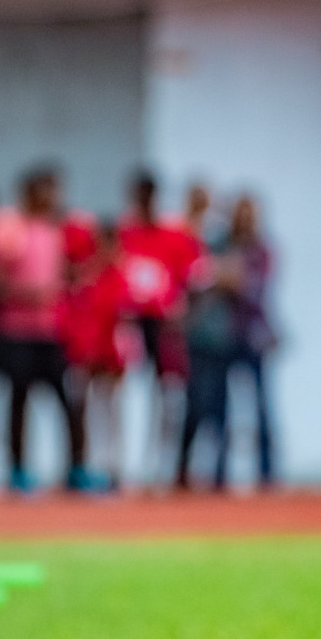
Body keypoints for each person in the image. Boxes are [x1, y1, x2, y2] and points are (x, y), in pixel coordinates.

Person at [0, 167, 92, 491]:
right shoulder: (8, 228)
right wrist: (26, 294)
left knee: (69, 399)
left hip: (50, 331)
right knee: (19, 401)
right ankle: (17, 469)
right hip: (15, 332)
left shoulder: (56, 231)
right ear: (29, 192)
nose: (54, 197)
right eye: (47, 190)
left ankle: (78, 468)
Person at [178, 194, 277, 490]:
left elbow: (246, 286)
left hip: (252, 337)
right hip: (223, 339)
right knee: (218, 409)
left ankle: (266, 474)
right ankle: (219, 474)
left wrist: (226, 276)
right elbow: (205, 276)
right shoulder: (220, 244)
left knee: (260, 408)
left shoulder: (261, 250)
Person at [120, 171, 199, 481]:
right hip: (130, 323)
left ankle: (160, 465)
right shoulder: (125, 234)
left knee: (168, 395)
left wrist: (182, 311)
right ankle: (128, 465)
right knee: (128, 394)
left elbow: (195, 277)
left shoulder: (173, 235)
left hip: (165, 326)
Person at [65, 221, 134, 489]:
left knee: (112, 412)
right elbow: (78, 319)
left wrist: (119, 357)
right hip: (87, 356)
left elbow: (124, 324)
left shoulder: (121, 277)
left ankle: (113, 467)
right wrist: (83, 353)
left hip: (112, 357)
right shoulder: (87, 278)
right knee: (87, 411)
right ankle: (89, 467)